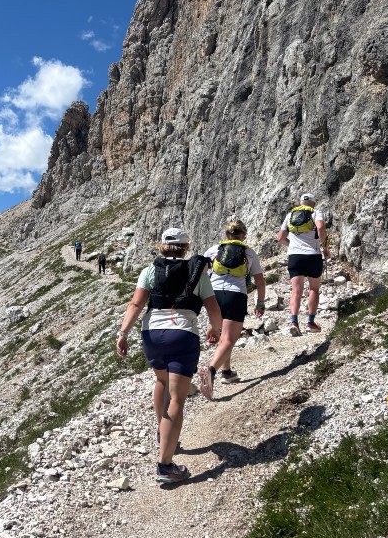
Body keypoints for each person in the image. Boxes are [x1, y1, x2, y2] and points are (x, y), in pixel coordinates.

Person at [116, 227, 222, 485]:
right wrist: (215, 329)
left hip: (152, 333)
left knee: (161, 381)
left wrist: (123, 333)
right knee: (177, 398)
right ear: (186, 248)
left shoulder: (150, 270)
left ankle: (162, 432)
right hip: (182, 335)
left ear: (161, 246)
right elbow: (212, 307)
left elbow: (136, 304)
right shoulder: (198, 272)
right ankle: (165, 465)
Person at [199, 220, 266, 392]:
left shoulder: (214, 250)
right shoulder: (249, 253)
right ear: (243, 235)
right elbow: (259, 280)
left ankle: (227, 372)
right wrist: (260, 303)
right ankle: (211, 370)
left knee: (222, 335)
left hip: (213, 295)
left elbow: (201, 274)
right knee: (229, 338)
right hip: (235, 295)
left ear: (226, 235)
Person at [276, 193, 328, 335]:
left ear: (300, 203)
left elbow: (280, 238)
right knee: (313, 289)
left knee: (296, 291)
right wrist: (324, 244)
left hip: (294, 256)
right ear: (313, 203)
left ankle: (294, 322)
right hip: (313, 256)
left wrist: (291, 245)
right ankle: (310, 323)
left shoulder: (290, 215)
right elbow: (321, 227)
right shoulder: (316, 213)